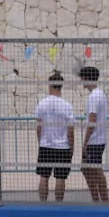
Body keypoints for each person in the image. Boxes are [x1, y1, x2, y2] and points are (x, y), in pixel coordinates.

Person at [34, 71, 76, 201]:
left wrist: (40, 141)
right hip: (62, 146)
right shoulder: (67, 106)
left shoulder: (42, 103)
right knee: (60, 177)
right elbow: (70, 129)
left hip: (46, 145)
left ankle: (43, 202)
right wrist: (72, 147)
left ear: (50, 85)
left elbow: (39, 127)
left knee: (44, 176)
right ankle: (59, 203)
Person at [79, 66, 109, 203]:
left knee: (96, 170)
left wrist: (85, 142)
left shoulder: (94, 96)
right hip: (99, 139)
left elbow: (92, 120)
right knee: (87, 169)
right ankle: (96, 199)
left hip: (95, 140)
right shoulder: (100, 94)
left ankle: (103, 200)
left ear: (86, 78)